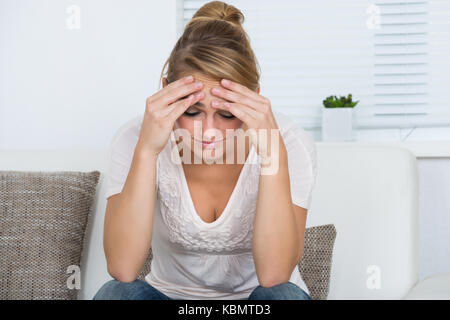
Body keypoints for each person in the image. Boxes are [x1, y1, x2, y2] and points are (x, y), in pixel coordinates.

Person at [93, 1, 317, 300]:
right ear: (167, 93)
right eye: (193, 112)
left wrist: (271, 154)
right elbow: (122, 269)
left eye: (226, 115)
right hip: (171, 299)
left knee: (286, 297)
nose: (208, 131)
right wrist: (147, 150)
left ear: (254, 100)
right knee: (115, 294)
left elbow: (275, 276)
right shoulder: (135, 137)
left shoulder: (288, 140)